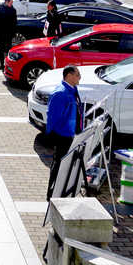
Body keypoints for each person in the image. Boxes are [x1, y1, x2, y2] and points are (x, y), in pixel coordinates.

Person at [45, 65, 83, 200]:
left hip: (71, 134)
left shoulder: (73, 90)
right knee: (58, 165)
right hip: (62, 136)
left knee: (66, 165)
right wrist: (50, 135)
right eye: (77, 74)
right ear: (69, 76)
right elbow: (52, 116)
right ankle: (52, 193)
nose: (80, 77)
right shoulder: (61, 93)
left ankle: (61, 191)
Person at [0, 0, 18, 71]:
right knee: (1, 50)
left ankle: (8, 65)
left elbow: (14, 23)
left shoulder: (13, 10)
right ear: (6, 2)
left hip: (9, 34)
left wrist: (14, 33)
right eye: (11, 2)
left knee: (8, 50)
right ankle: (1, 64)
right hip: (0, 33)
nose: (12, 4)